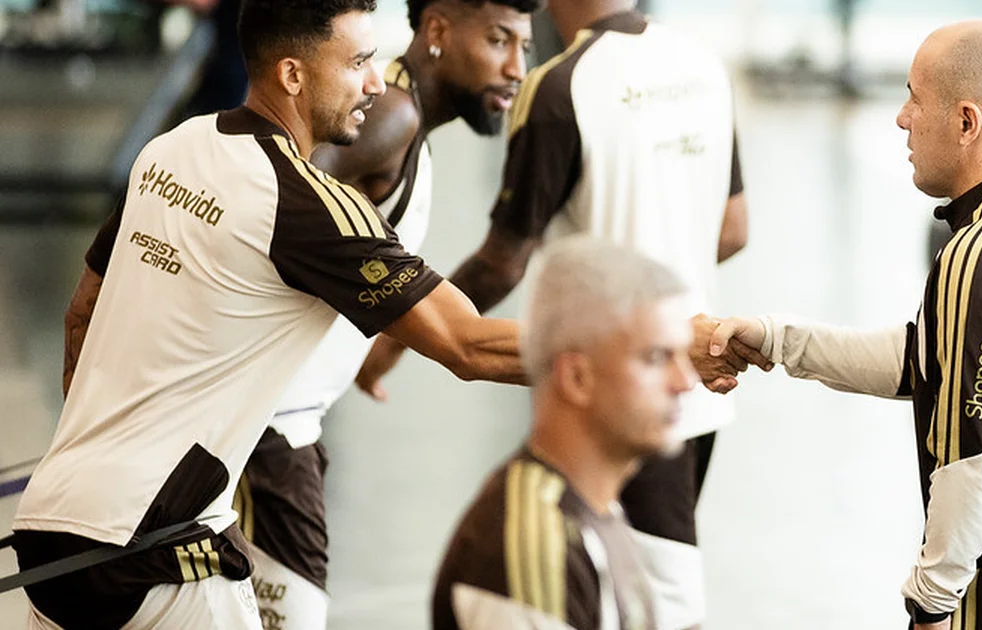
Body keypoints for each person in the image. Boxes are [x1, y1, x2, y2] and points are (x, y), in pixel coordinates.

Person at [9, 0, 526, 627]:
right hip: (159, 547)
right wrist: (619, 354)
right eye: (358, 63)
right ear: (292, 75)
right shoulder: (307, 203)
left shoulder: (171, 149)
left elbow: (81, 309)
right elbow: (468, 345)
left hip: (50, 523)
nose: (374, 81)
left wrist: (105, 444)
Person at [710, 20, 982, 630]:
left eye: (915, 99)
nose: (902, 119)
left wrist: (931, 601)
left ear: (967, 122)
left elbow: (974, 459)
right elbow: (931, 358)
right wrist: (779, 340)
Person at [356, 2, 761, 626]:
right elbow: (732, 231)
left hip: (621, 391)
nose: (515, 61)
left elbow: (503, 263)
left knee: (643, 602)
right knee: (635, 594)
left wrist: (392, 341)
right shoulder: (702, 62)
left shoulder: (558, 87)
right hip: (696, 385)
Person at [237, 1, 538, 627]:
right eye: (498, 41)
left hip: (282, 426)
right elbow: (271, 215)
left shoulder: (401, 119)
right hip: (263, 432)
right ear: (438, 31)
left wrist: (373, 349)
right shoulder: (390, 115)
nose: (516, 68)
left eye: (524, 48)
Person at [432, 236, 694, 630]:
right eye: (656, 358)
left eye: (684, 355)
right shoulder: (532, 546)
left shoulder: (598, 513)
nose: (685, 381)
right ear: (576, 378)